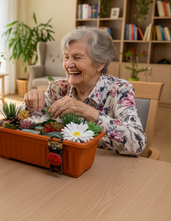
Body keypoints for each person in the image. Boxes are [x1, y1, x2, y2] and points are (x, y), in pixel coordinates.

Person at [24, 26, 146, 156]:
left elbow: (137, 143)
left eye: (77, 58)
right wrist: (30, 105)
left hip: (106, 167)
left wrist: (88, 112)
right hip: (64, 162)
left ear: (100, 63)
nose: (68, 64)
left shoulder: (119, 90)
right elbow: (27, 123)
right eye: (66, 57)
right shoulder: (58, 88)